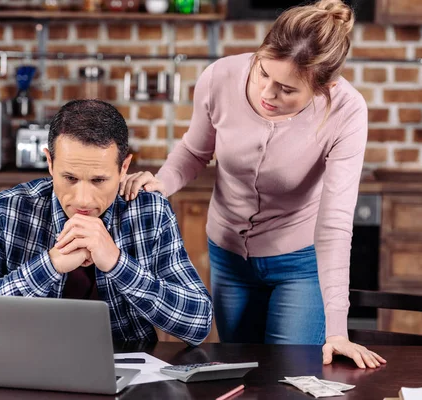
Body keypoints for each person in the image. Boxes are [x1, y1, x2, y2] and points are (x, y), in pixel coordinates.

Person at [119, 0, 386, 368]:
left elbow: (335, 225)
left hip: (300, 262)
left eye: (287, 90)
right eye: (263, 73)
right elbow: (196, 151)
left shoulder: (346, 111)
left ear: (325, 87)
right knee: (240, 372)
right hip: (228, 255)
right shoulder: (220, 77)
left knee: (290, 377)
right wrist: (161, 182)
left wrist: (337, 330)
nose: (267, 93)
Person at [0, 99, 213, 348]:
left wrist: (117, 263)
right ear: (49, 162)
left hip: (129, 372)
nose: (83, 199)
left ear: (124, 167)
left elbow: (198, 324)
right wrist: (51, 265)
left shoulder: (150, 210)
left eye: (99, 180)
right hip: (27, 362)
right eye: (69, 178)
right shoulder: (8, 209)